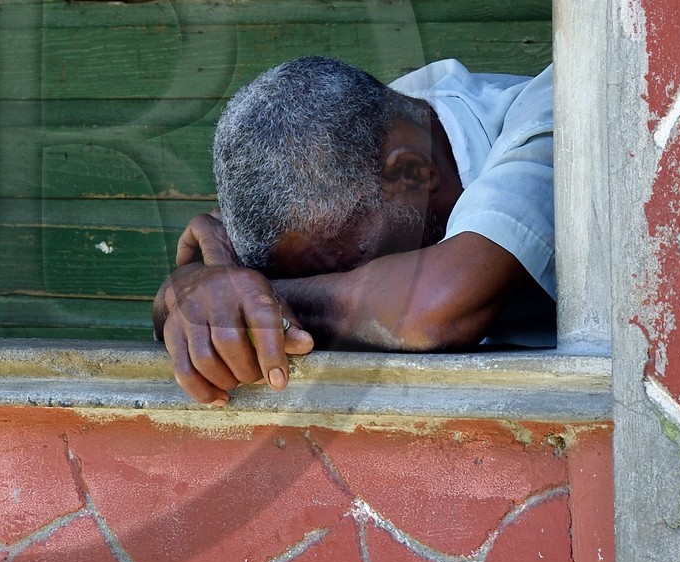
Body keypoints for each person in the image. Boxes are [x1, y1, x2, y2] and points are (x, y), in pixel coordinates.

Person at [153, 55, 555, 403]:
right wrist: (204, 281)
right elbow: (187, 289)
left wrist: (262, 299)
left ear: (412, 172)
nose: (354, 281)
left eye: (353, 269)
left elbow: (432, 309)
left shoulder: (557, 115)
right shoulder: (342, 164)